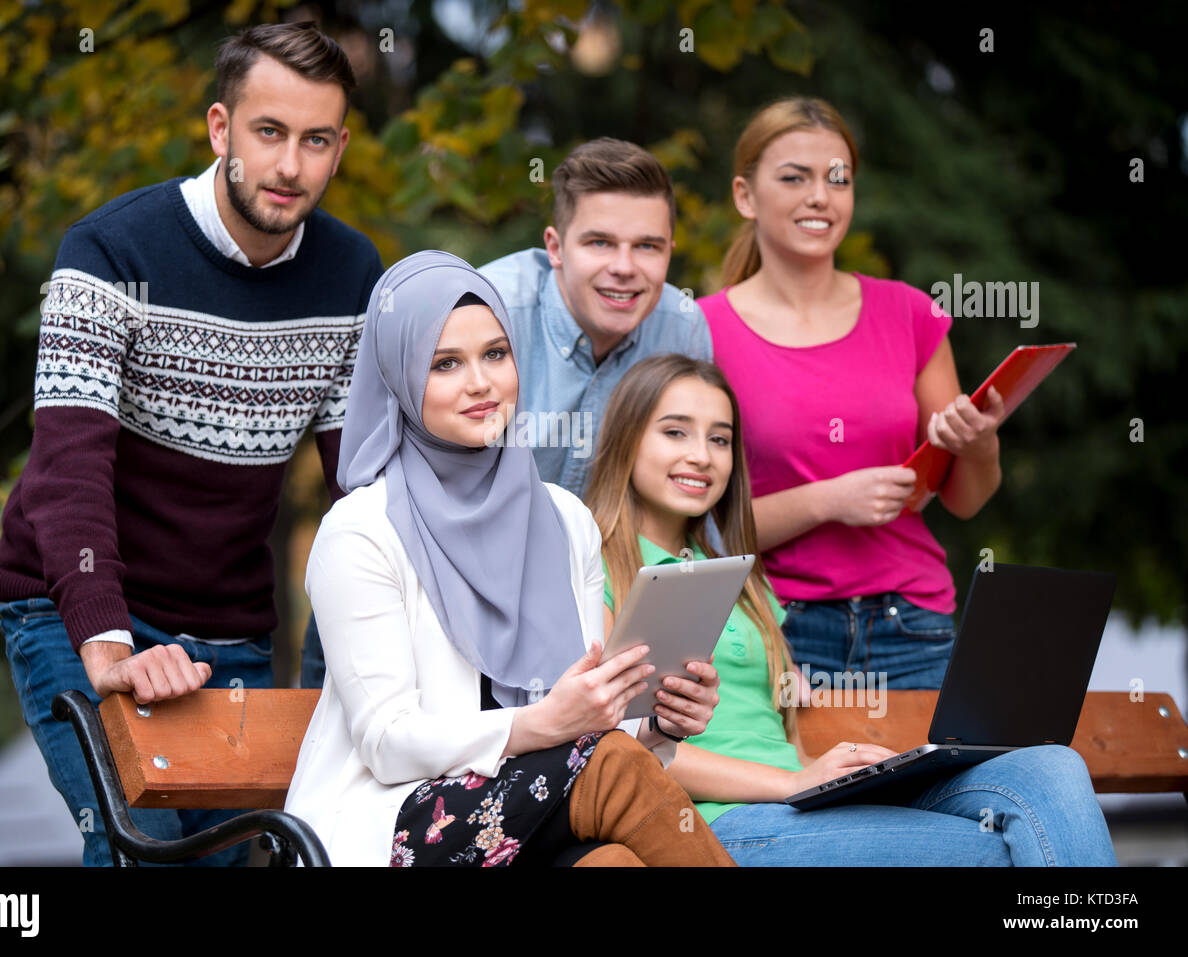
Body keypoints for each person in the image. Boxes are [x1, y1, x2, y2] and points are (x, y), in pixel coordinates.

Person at [0, 22, 383, 866]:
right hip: (75, 604)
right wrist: (107, 644)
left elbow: (365, 489)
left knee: (234, 858)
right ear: (219, 128)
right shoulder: (108, 250)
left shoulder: (353, 275)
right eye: (268, 132)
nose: (290, 165)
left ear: (340, 148)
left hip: (229, 629)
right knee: (143, 853)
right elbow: (67, 470)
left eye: (316, 140)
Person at [283, 251, 734, 867]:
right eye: (445, 363)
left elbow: (582, 717)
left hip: (540, 810)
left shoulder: (565, 521)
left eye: (496, 354)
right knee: (611, 765)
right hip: (398, 820)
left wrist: (661, 722)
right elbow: (387, 742)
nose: (481, 383)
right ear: (400, 378)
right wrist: (542, 724)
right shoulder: (360, 531)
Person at [585, 353, 1117, 865]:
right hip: (716, 824)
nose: (702, 455)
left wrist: (843, 776)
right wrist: (794, 782)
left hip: (802, 804)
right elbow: (620, 749)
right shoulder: (595, 570)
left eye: (719, 439)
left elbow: (781, 738)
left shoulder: (742, 581)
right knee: (994, 853)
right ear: (626, 441)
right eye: (675, 432)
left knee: (1050, 765)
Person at [697, 97, 1008, 689]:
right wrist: (827, 501)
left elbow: (964, 500)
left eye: (837, 179)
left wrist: (981, 446)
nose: (820, 196)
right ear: (745, 196)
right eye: (795, 178)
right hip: (775, 629)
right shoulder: (701, 332)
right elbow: (696, 524)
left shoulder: (910, 314)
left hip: (912, 627)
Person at [479, 137, 713, 498]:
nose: (624, 267)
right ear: (555, 248)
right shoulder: (489, 315)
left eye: (646, 246)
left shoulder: (682, 327)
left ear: (669, 252)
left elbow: (692, 479)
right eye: (600, 243)